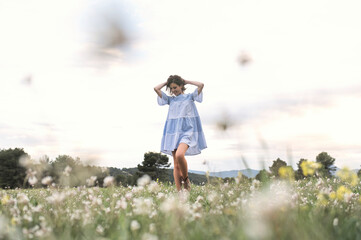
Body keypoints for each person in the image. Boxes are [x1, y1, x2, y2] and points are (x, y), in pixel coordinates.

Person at [154, 75, 207, 191]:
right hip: (172, 132)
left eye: (175, 87)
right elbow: (156, 89)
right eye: (171, 88)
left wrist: (186, 81)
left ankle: (186, 180)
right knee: (176, 164)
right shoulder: (170, 100)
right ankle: (180, 193)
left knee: (179, 155)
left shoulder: (190, 97)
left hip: (187, 131)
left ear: (181, 86)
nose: (173, 90)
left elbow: (201, 85)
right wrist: (167, 82)